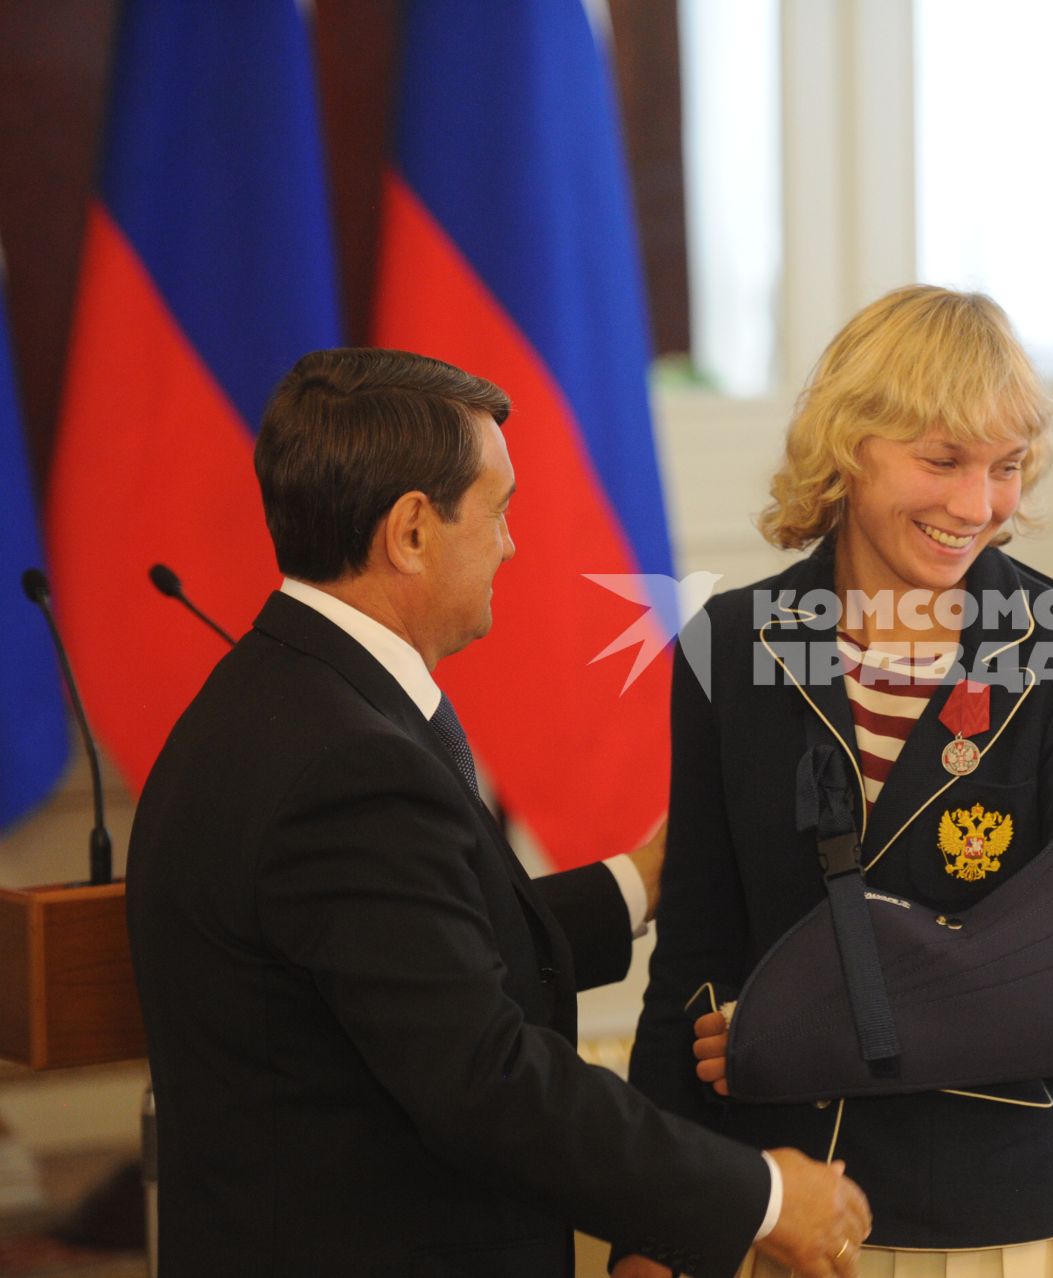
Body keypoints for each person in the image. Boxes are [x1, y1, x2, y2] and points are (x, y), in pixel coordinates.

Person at [126, 348, 870, 1278]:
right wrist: (757, 1197)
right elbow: (486, 1080)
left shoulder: (285, 692)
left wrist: (637, 883)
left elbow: (403, 952)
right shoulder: (347, 764)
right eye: (498, 508)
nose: (512, 545)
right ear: (410, 532)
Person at [620, 286, 1053, 1278]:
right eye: (941, 460)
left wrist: (830, 1026)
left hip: (1001, 1211)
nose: (976, 506)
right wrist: (656, 1228)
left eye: (1007, 466)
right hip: (780, 1203)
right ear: (846, 447)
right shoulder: (732, 646)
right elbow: (693, 955)